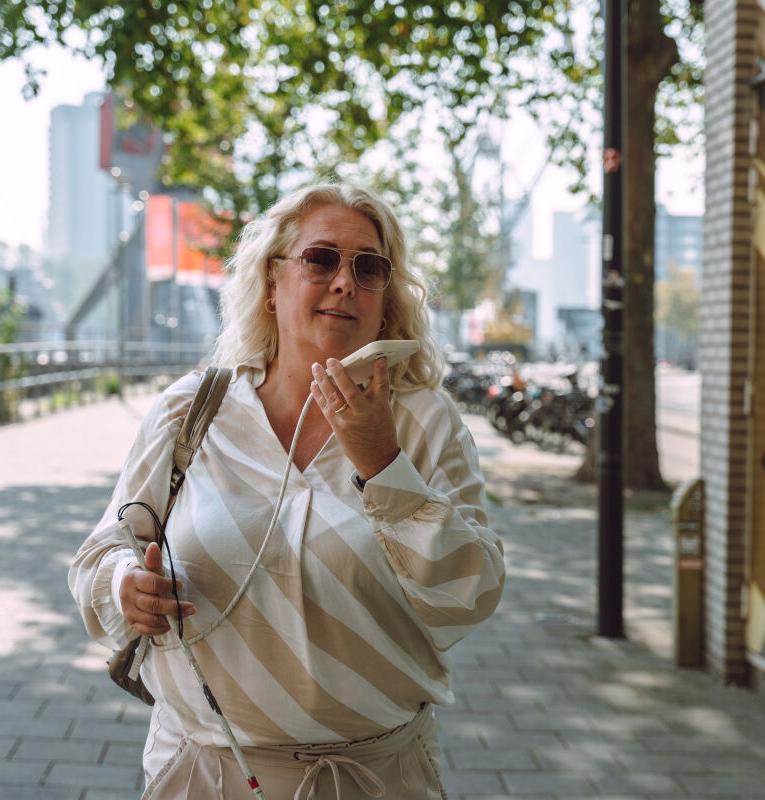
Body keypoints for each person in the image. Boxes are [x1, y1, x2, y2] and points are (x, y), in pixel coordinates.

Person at [69, 183, 505, 799]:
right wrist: (125, 585)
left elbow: (471, 593)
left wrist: (384, 465)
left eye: (368, 267)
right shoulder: (192, 410)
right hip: (201, 776)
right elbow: (102, 551)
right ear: (272, 283)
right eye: (320, 259)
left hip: (373, 780)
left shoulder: (426, 421)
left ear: (387, 296)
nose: (344, 282)